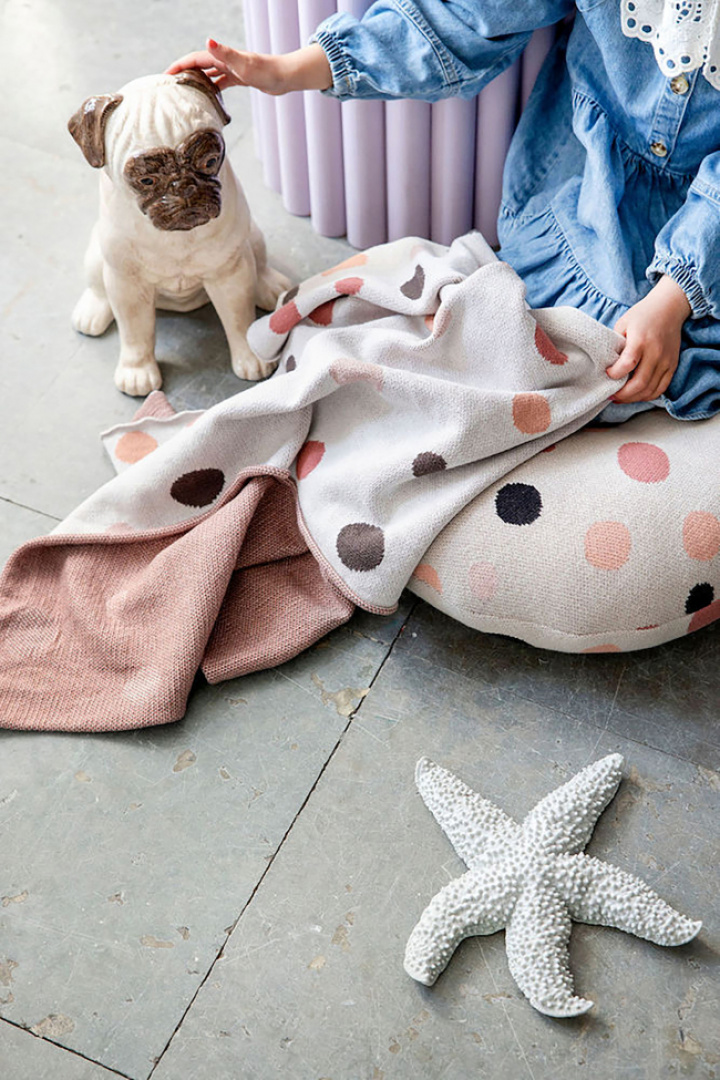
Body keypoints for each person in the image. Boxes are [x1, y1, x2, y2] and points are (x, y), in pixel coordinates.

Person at [167, 2, 720, 422]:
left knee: (609, 374)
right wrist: (288, 71)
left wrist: (674, 298)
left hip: (706, 226)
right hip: (582, 192)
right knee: (517, 350)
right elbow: (464, 19)